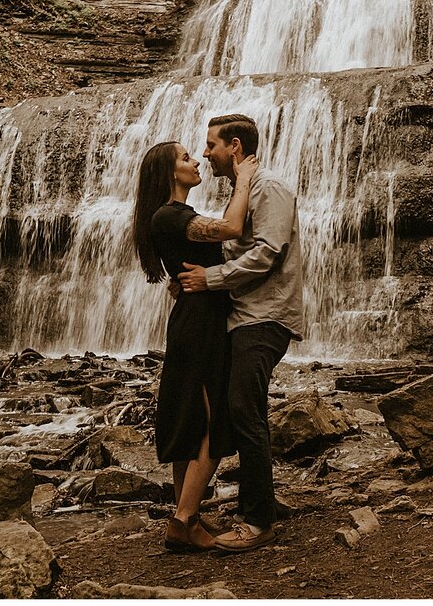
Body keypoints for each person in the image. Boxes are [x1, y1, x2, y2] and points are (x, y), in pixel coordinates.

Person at [177, 114, 304, 553]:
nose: (205, 153)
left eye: (210, 145)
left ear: (234, 146)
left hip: (266, 317)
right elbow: (239, 244)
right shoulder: (245, 190)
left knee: (244, 411)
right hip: (245, 316)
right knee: (235, 412)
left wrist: (208, 279)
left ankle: (259, 522)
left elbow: (268, 253)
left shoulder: (267, 187)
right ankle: (252, 506)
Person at [131, 140, 259, 552]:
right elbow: (232, 228)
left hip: (194, 316)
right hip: (201, 322)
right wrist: (243, 180)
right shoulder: (171, 215)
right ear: (171, 173)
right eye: (186, 158)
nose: (197, 160)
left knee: (189, 415)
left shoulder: (169, 217)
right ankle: (183, 519)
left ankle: (186, 515)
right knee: (207, 418)